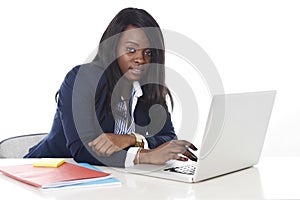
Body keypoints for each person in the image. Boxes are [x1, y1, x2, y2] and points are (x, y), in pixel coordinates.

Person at [24, 7, 198, 167]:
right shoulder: (82, 79)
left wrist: (131, 139)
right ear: (113, 48)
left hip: (109, 180)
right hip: (47, 174)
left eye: (149, 52)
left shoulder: (148, 90)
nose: (141, 59)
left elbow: (168, 137)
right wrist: (143, 156)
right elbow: (82, 150)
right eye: (131, 50)